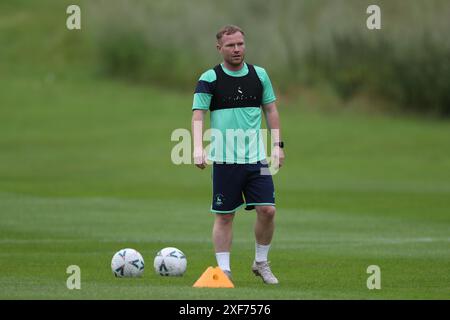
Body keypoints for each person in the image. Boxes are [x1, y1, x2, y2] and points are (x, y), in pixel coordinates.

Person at [191, 25, 285, 284]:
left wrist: (278, 145)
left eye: (240, 44)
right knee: (224, 216)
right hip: (224, 160)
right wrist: (198, 147)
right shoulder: (209, 78)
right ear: (219, 48)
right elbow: (198, 113)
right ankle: (223, 271)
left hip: (256, 159)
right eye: (231, 45)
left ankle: (261, 262)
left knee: (268, 210)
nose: (237, 49)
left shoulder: (259, 75)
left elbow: (271, 110)